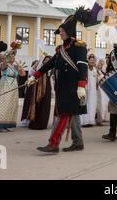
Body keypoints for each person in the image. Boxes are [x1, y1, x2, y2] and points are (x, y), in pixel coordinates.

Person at [27, 8, 90, 153]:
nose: (60, 33)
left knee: (64, 115)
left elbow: (83, 67)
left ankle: (53, 143)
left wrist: (81, 85)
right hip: (63, 88)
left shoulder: (79, 47)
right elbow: (49, 64)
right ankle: (78, 143)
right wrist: (34, 76)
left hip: (73, 88)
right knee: (73, 115)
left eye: (62, 31)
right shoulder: (61, 49)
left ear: (69, 31)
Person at [0, 41, 26, 132]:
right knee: (4, 103)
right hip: (5, 83)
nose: (14, 57)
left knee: (11, 104)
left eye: (14, 56)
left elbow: (23, 74)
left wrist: (19, 66)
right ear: (8, 56)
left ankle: (7, 124)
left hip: (14, 84)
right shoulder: (4, 63)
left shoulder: (14, 66)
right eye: (12, 55)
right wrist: (10, 51)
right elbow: (2, 61)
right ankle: (0, 126)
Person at [28, 55, 53, 130]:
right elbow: (31, 72)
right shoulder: (40, 68)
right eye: (45, 60)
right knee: (37, 105)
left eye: (49, 60)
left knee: (45, 106)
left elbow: (52, 80)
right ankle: (34, 123)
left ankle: (43, 124)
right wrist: (39, 60)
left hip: (47, 88)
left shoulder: (51, 69)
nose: (47, 61)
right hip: (38, 89)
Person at [80, 54, 98, 127]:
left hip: (93, 91)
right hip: (86, 89)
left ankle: (90, 120)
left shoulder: (95, 70)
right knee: (85, 104)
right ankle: (84, 121)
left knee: (92, 104)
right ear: (88, 60)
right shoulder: (85, 68)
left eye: (93, 59)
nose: (92, 60)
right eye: (91, 59)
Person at [21, 60, 39, 126]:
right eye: (35, 64)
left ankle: (32, 118)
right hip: (30, 88)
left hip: (36, 88)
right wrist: (37, 63)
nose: (37, 65)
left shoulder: (39, 70)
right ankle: (25, 119)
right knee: (28, 102)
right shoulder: (31, 70)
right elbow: (32, 74)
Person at [95, 59, 109, 125]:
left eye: (101, 64)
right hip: (98, 89)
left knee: (104, 102)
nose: (100, 66)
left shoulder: (102, 72)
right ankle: (99, 118)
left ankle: (103, 117)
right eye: (99, 64)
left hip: (103, 89)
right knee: (100, 103)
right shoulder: (96, 71)